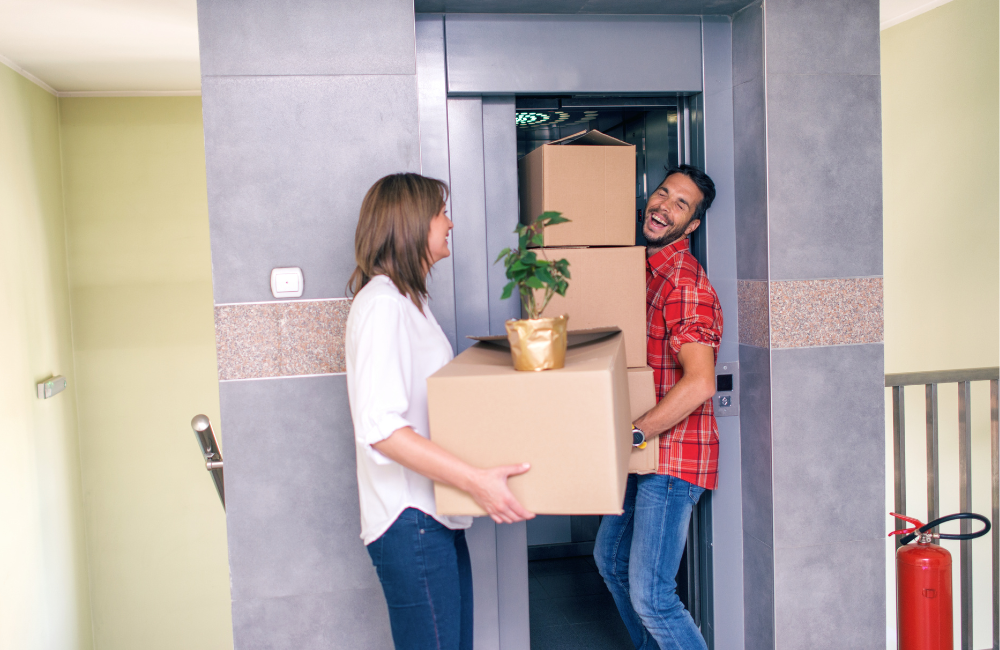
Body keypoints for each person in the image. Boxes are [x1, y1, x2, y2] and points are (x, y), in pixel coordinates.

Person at [345, 173, 534, 650]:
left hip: (432, 516)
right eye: (439, 213)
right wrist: (475, 481)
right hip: (409, 521)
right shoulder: (382, 306)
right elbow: (381, 429)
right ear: (411, 223)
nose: (449, 223)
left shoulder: (410, 302)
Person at [594, 165, 723, 650]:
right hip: (645, 452)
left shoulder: (685, 284)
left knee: (653, 595)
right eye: (663, 193)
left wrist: (633, 434)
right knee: (610, 561)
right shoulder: (641, 271)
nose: (664, 205)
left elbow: (700, 382)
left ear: (691, 226)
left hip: (672, 458)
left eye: (681, 204)